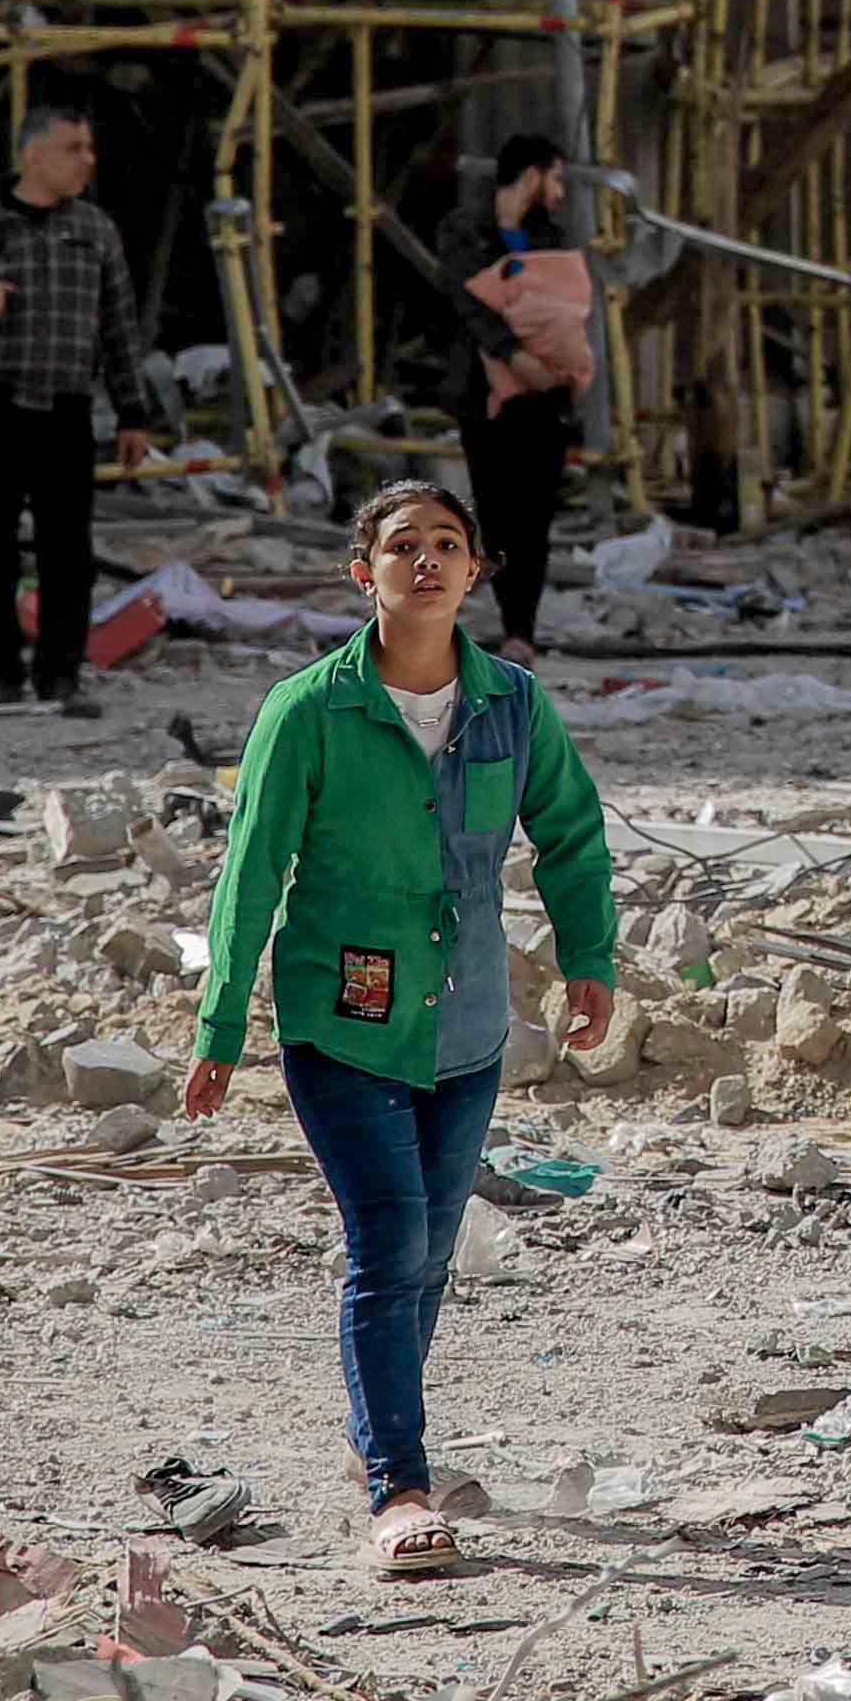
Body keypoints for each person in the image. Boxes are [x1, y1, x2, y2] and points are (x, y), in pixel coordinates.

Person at [185, 480, 617, 1568]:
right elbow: (250, 875)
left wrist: (589, 960)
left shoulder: (512, 705)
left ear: (476, 572)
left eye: (447, 545)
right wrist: (221, 1024)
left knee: (428, 1253)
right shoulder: (309, 711)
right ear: (361, 573)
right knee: (388, 1243)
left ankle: (378, 1434)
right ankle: (399, 1485)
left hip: (468, 1027)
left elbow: (569, 834)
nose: (425, 562)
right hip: (342, 1025)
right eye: (402, 546)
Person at [0, 103, 165, 709]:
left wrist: (133, 414)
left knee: (68, 556)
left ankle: (60, 676)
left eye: (88, 147)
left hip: (66, 413)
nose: (87, 161)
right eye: (73, 148)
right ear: (33, 155)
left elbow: (119, 330)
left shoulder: (94, 231)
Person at [431, 134, 589, 657]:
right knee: (497, 512)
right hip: (483, 393)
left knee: (536, 514)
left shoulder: (551, 236)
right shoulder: (463, 230)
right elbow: (464, 301)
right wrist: (512, 354)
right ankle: (509, 619)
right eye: (556, 178)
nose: (560, 191)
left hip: (543, 397)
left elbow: (562, 307)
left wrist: (554, 366)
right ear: (531, 176)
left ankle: (524, 629)